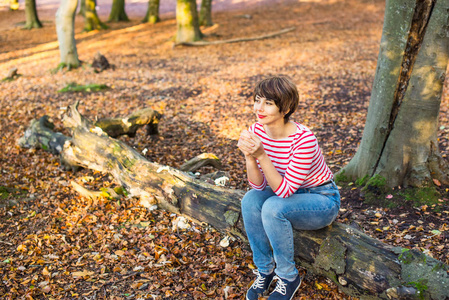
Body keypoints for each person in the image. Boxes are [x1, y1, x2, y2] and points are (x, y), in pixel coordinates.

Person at [237, 76, 340, 300]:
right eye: (257, 100)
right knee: (250, 199)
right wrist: (249, 157)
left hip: (321, 199)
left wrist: (261, 154)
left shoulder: (304, 139)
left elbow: (283, 193)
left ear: (286, 108)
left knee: (273, 207)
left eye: (268, 103)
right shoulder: (257, 129)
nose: (259, 108)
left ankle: (288, 277)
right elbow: (258, 185)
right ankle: (265, 270)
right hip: (285, 191)